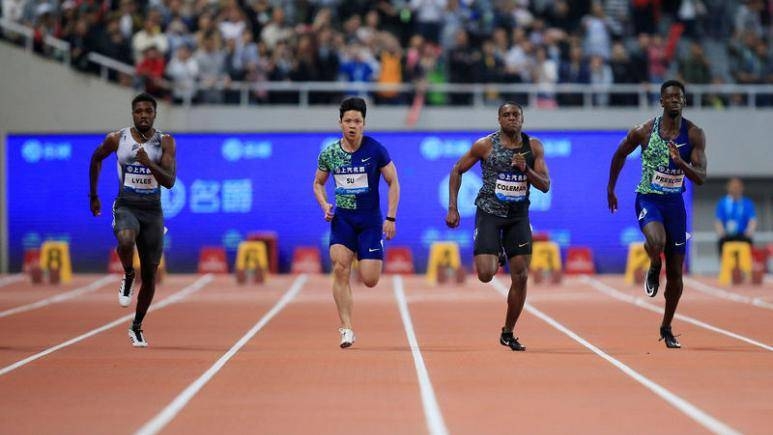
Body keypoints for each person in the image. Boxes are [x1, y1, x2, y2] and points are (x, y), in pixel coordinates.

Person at [607, 80, 707, 349]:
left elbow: (700, 178)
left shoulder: (694, 134)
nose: (674, 100)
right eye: (669, 97)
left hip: (675, 206)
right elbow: (618, 155)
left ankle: (666, 326)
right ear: (661, 102)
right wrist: (611, 189)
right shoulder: (644, 131)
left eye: (679, 97)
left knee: (676, 275)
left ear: (684, 102)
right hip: (648, 198)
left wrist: (681, 163)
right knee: (657, 241)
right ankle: (653, 263)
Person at [445, 102, 551, 352]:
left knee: (521, 276)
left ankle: (508, 331)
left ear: (522, 119)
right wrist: (453, 207)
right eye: (507, 115)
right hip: (490, 213)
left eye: (516, 114)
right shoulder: (485, 145)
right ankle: (499, 251)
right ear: (499, 119)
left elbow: (545, 185)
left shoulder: (533, 147)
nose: (511, 118)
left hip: (518, 216)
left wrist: (526, 170)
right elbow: (457, 170)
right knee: (485, 274)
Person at [89, 93, 177, 348]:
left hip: (153, 210)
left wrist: (149, 162)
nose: (143, 115)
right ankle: (128, 273)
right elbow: (95, 159)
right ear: (132, 114)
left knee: (150, 276)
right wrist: (93, 195)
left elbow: (169, 181)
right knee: (125, 240)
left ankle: (136, 326)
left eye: (148, 111)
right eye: (138, 111)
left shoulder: (166, 142)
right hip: (127, 204)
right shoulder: (118, 139)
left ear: (155, 114)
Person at [313, 97, 400, 348]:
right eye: (348, 121)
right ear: (340, 123)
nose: (352, 125)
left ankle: (366, 263)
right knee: (340, 268)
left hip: (370, 222)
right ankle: (347, 328)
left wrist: (390, 217)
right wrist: (325, 204)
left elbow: (393, 181)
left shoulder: (375, 150)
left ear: (364, 124)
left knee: (370, 279)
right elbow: (318, 182)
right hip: (343, 221)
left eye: (357, 121)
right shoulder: (330, 153)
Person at [715, 177, 757, 255]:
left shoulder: (747, 203)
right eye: (733, 187)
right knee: (721, 242)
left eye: (737, 187)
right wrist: (722, 233)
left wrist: (749, 232)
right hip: (727, 235)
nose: (735, 189)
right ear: (728, 188)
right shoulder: (723, 202)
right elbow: (718, 221)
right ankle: (724, 263)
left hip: (742, 235)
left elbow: (752, 221)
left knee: (749, 243)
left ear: (742, 188)